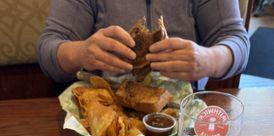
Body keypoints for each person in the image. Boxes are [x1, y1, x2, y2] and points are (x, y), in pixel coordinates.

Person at [38, 0, 250, 87]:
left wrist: (209, 59)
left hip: (181, 122)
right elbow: (48, 49)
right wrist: (80, 52)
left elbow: (237, 41)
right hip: (107, 115)